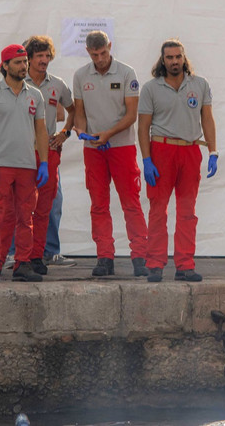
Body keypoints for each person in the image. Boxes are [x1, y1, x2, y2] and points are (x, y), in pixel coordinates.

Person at [138, 39, 217, 283]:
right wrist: (147, 159)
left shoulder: (200, 85)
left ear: (184, 58)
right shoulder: (151, 88)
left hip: (190, 150)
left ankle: (185, 265)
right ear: (163, 60)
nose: (174, 61)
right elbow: (143, 127)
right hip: (162, 150)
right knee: (158, 209)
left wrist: (213, 152)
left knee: (187, 211)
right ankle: (155, 264)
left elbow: (208, 119)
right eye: (169, 57)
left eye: (178, 57)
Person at [73, 31, 149, 277]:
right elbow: (80, 112)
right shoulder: (81, 75)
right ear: (88, 52)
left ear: (110, 46)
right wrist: (83, 131)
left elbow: (131, 115)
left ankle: (140, 256)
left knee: (131, 202)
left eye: (103, 52)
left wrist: (108, 133)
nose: (100, 58)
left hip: (122, 147)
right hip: (94, 149)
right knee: (98, 204)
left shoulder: (127, 73)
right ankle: (104, 256)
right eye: (95, 54)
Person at [0, 44, 49, 282]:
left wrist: (44, 163)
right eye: (18, 62)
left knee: (26, 217)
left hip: (27, 166)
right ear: (5, 65)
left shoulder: (35, 95)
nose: (23, 66)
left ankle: (23, 263)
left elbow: (41, 132)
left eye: (25, 62)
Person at [20, 35, 75, 275]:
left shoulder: (58, 84)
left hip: (49, 153)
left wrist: (66, 132)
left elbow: (74, 110)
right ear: (28, 58)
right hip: (21, 151)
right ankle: (18, 253)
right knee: (21, 206)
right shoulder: (17, 82)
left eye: (47, 56)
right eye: (39, 56)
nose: (44, 60)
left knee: (46, 206)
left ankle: (39, 255)